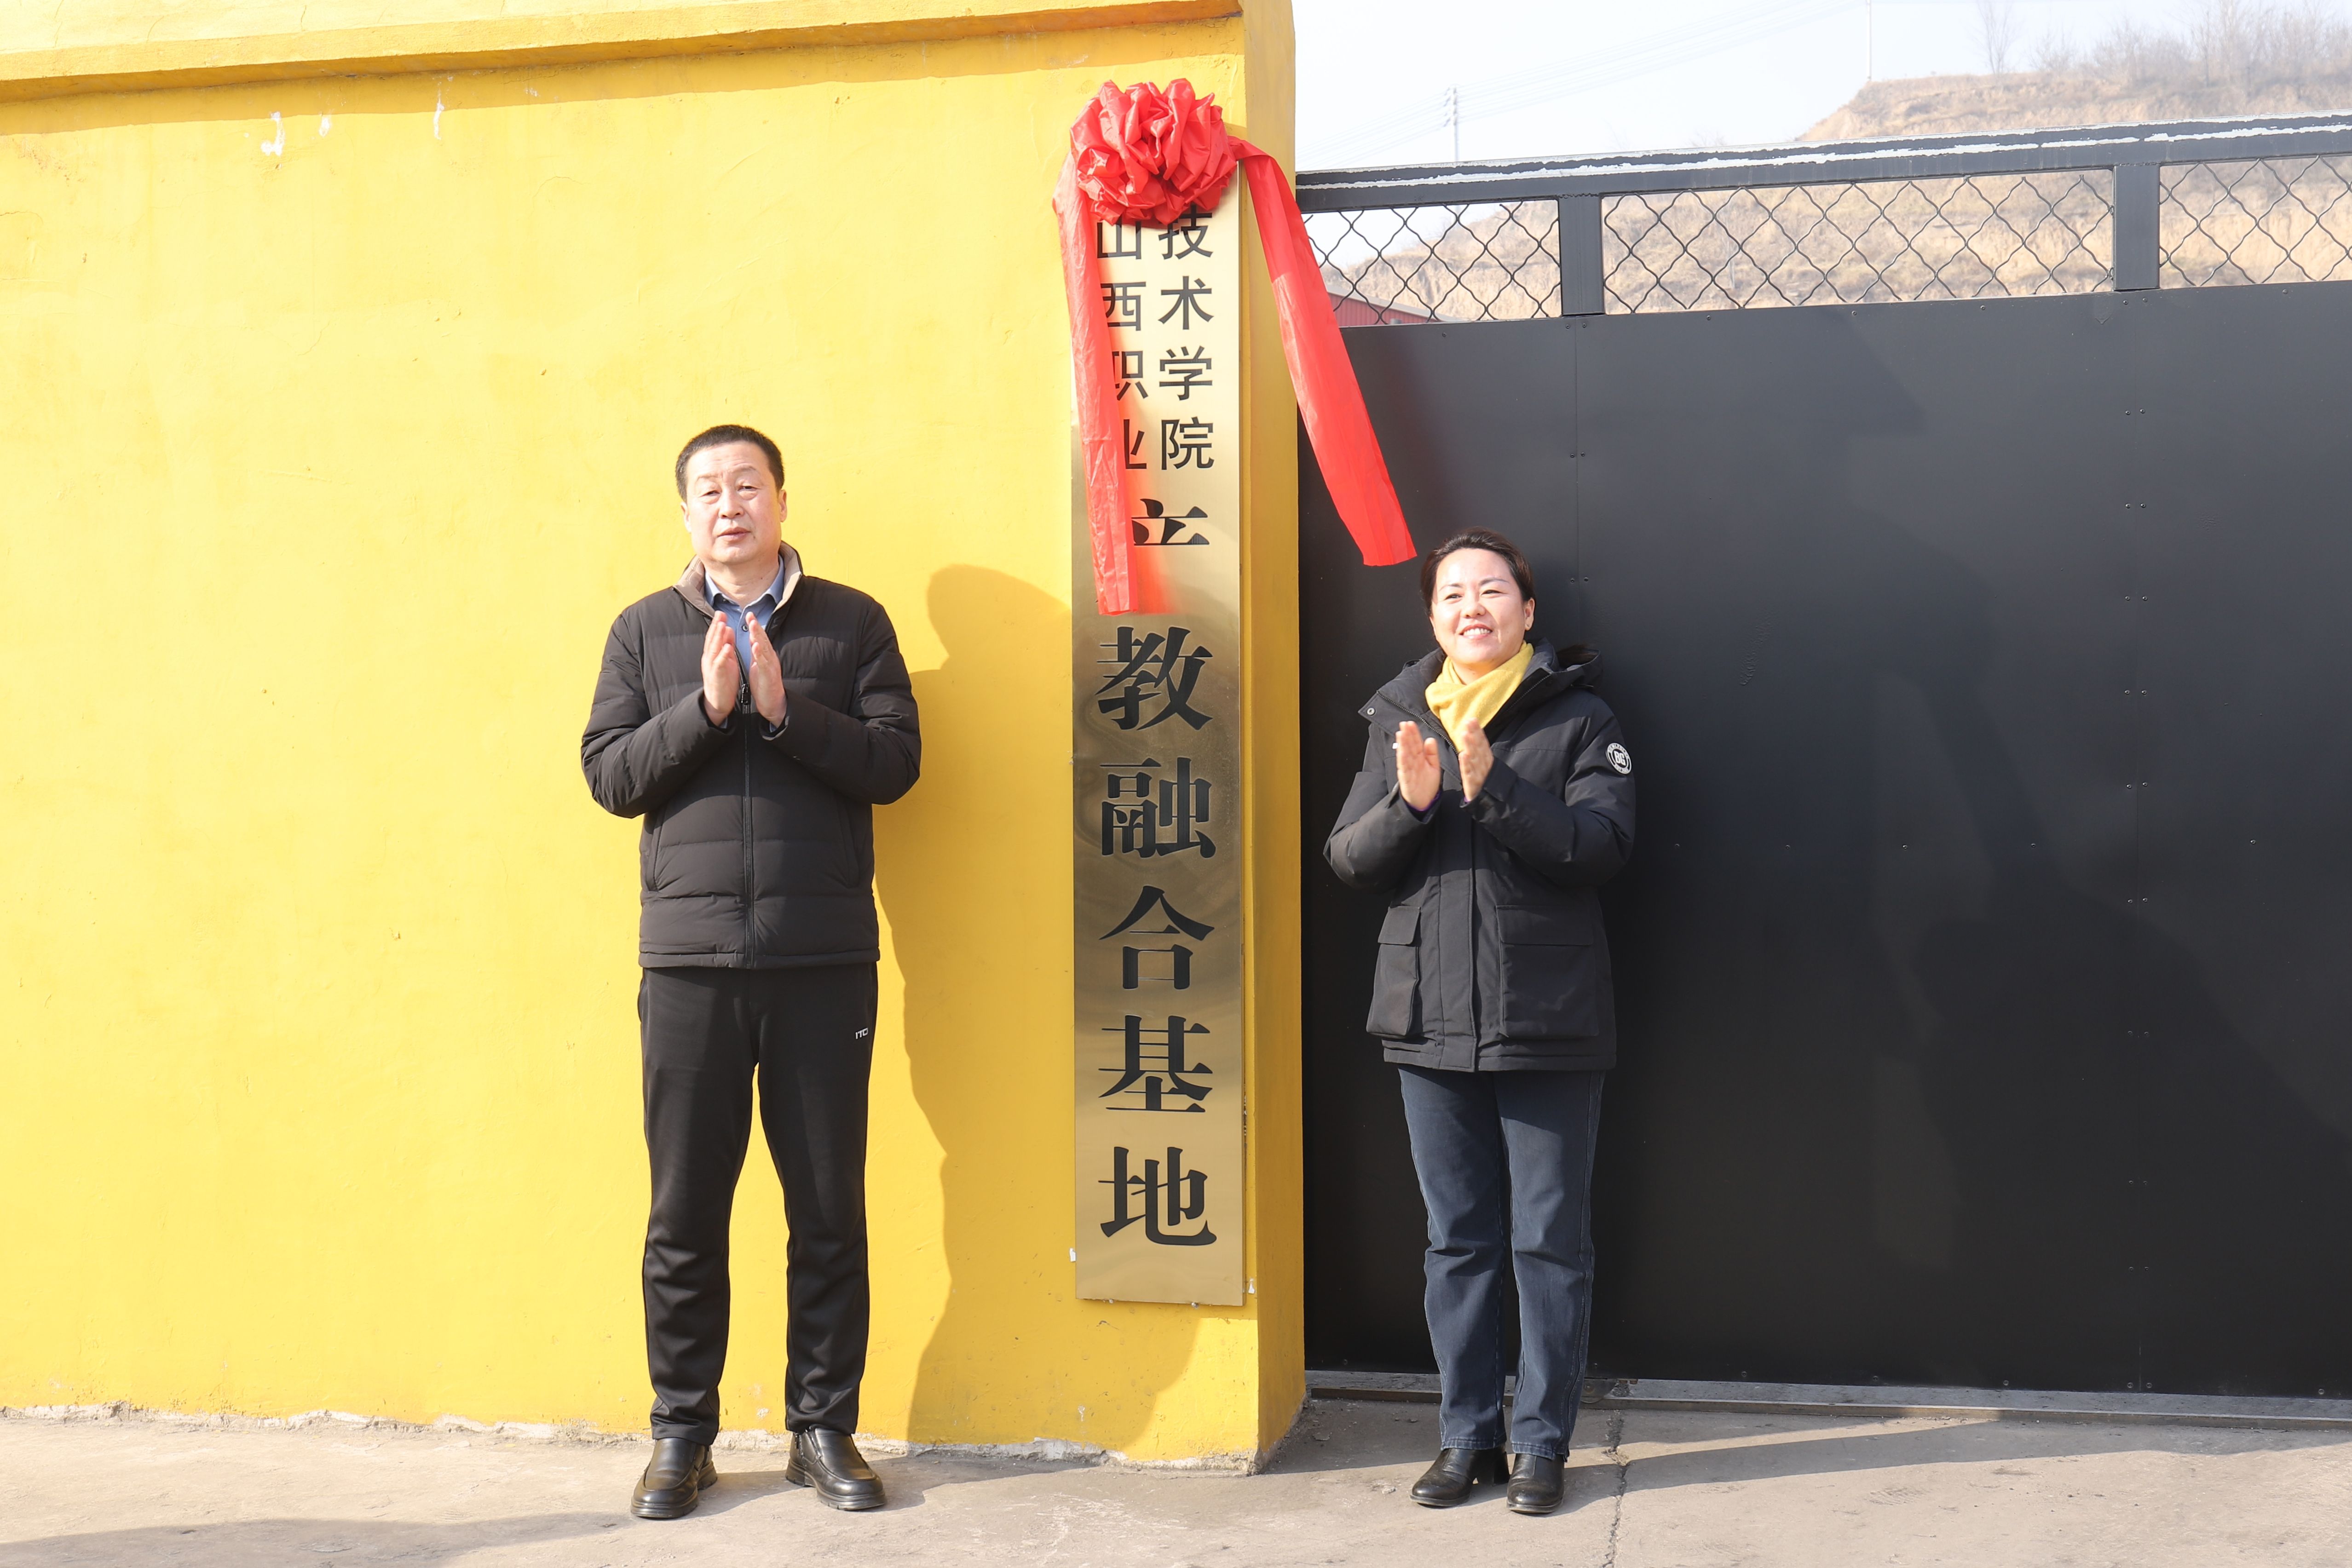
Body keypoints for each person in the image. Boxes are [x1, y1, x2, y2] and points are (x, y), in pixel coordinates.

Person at [581, 424, 920, 1519]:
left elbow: (897, 763)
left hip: (823, 959)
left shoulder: (852, 623)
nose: (730, 506)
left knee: (828, 1209)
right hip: (690, 965)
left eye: (747, 485)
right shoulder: (643, 631)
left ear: (781, 499)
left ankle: (823, 1429)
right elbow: (611, 775)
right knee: (684, 1213)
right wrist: (708, 709)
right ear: (686, 515)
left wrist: (784, 712)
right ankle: (683, 1433)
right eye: (709, 491)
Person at [1324, 528, 1635, 1516]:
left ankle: (1540, 1444)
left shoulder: (1580, 718)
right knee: (1456, 1241)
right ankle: (1467, 1436)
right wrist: (1412, 805)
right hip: (1429, 1019)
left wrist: (1492, 785)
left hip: (1547, 1019)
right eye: (1453, 593)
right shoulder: (1399, 718)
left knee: (1548, 1243)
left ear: (1526, 611)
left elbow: (1600, 847)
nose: (1473, 607)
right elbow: (1349, 858)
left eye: (1492, 590)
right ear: (1433, 617)